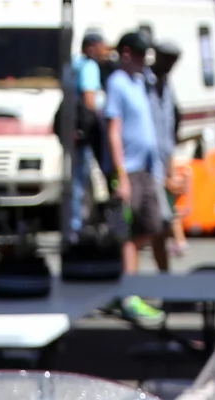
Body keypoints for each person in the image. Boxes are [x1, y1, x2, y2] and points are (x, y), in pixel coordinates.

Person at [107, 31, 171, 301]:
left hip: (148, 168)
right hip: (130, 170)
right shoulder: (117, 83)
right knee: (130, 233)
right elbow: (114, 130)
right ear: (126, 54)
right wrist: (120, 175)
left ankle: (157, 285)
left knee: (153, 227)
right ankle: (128, 291)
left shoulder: (141, 82)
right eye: (141, 55)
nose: (145, 61)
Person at [62, 31, 112, 244]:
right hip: (86, 131)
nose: (104, 51)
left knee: (74, 180)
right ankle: (77, 227)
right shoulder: (90, 67)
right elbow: (90, 100)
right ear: (91, 47)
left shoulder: (72, 65)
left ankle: (72, 224)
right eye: (102, 46)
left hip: (70, 129)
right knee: (83, 180)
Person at [149, 37, 188, 258]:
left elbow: (171, 123)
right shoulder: (145, 82)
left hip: (165, 159)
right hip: (148, 163)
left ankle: (163, 274)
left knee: (165, 217)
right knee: (159, 220)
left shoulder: (166, 85)